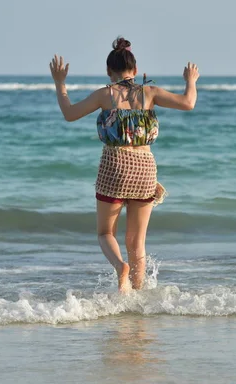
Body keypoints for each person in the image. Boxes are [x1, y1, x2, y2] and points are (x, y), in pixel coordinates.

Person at [49, 37, 199, 291]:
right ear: (136, 70)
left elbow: (69, 114)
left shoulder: (104, 95)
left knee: (105, 233)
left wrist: (60, 83)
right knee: (136, 241)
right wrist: (191, 81)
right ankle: (136, 298)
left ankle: (120, 267)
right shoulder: (149, 92)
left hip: (114, 166)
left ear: (109, 72)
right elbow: (188, 103)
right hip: (144, 168)